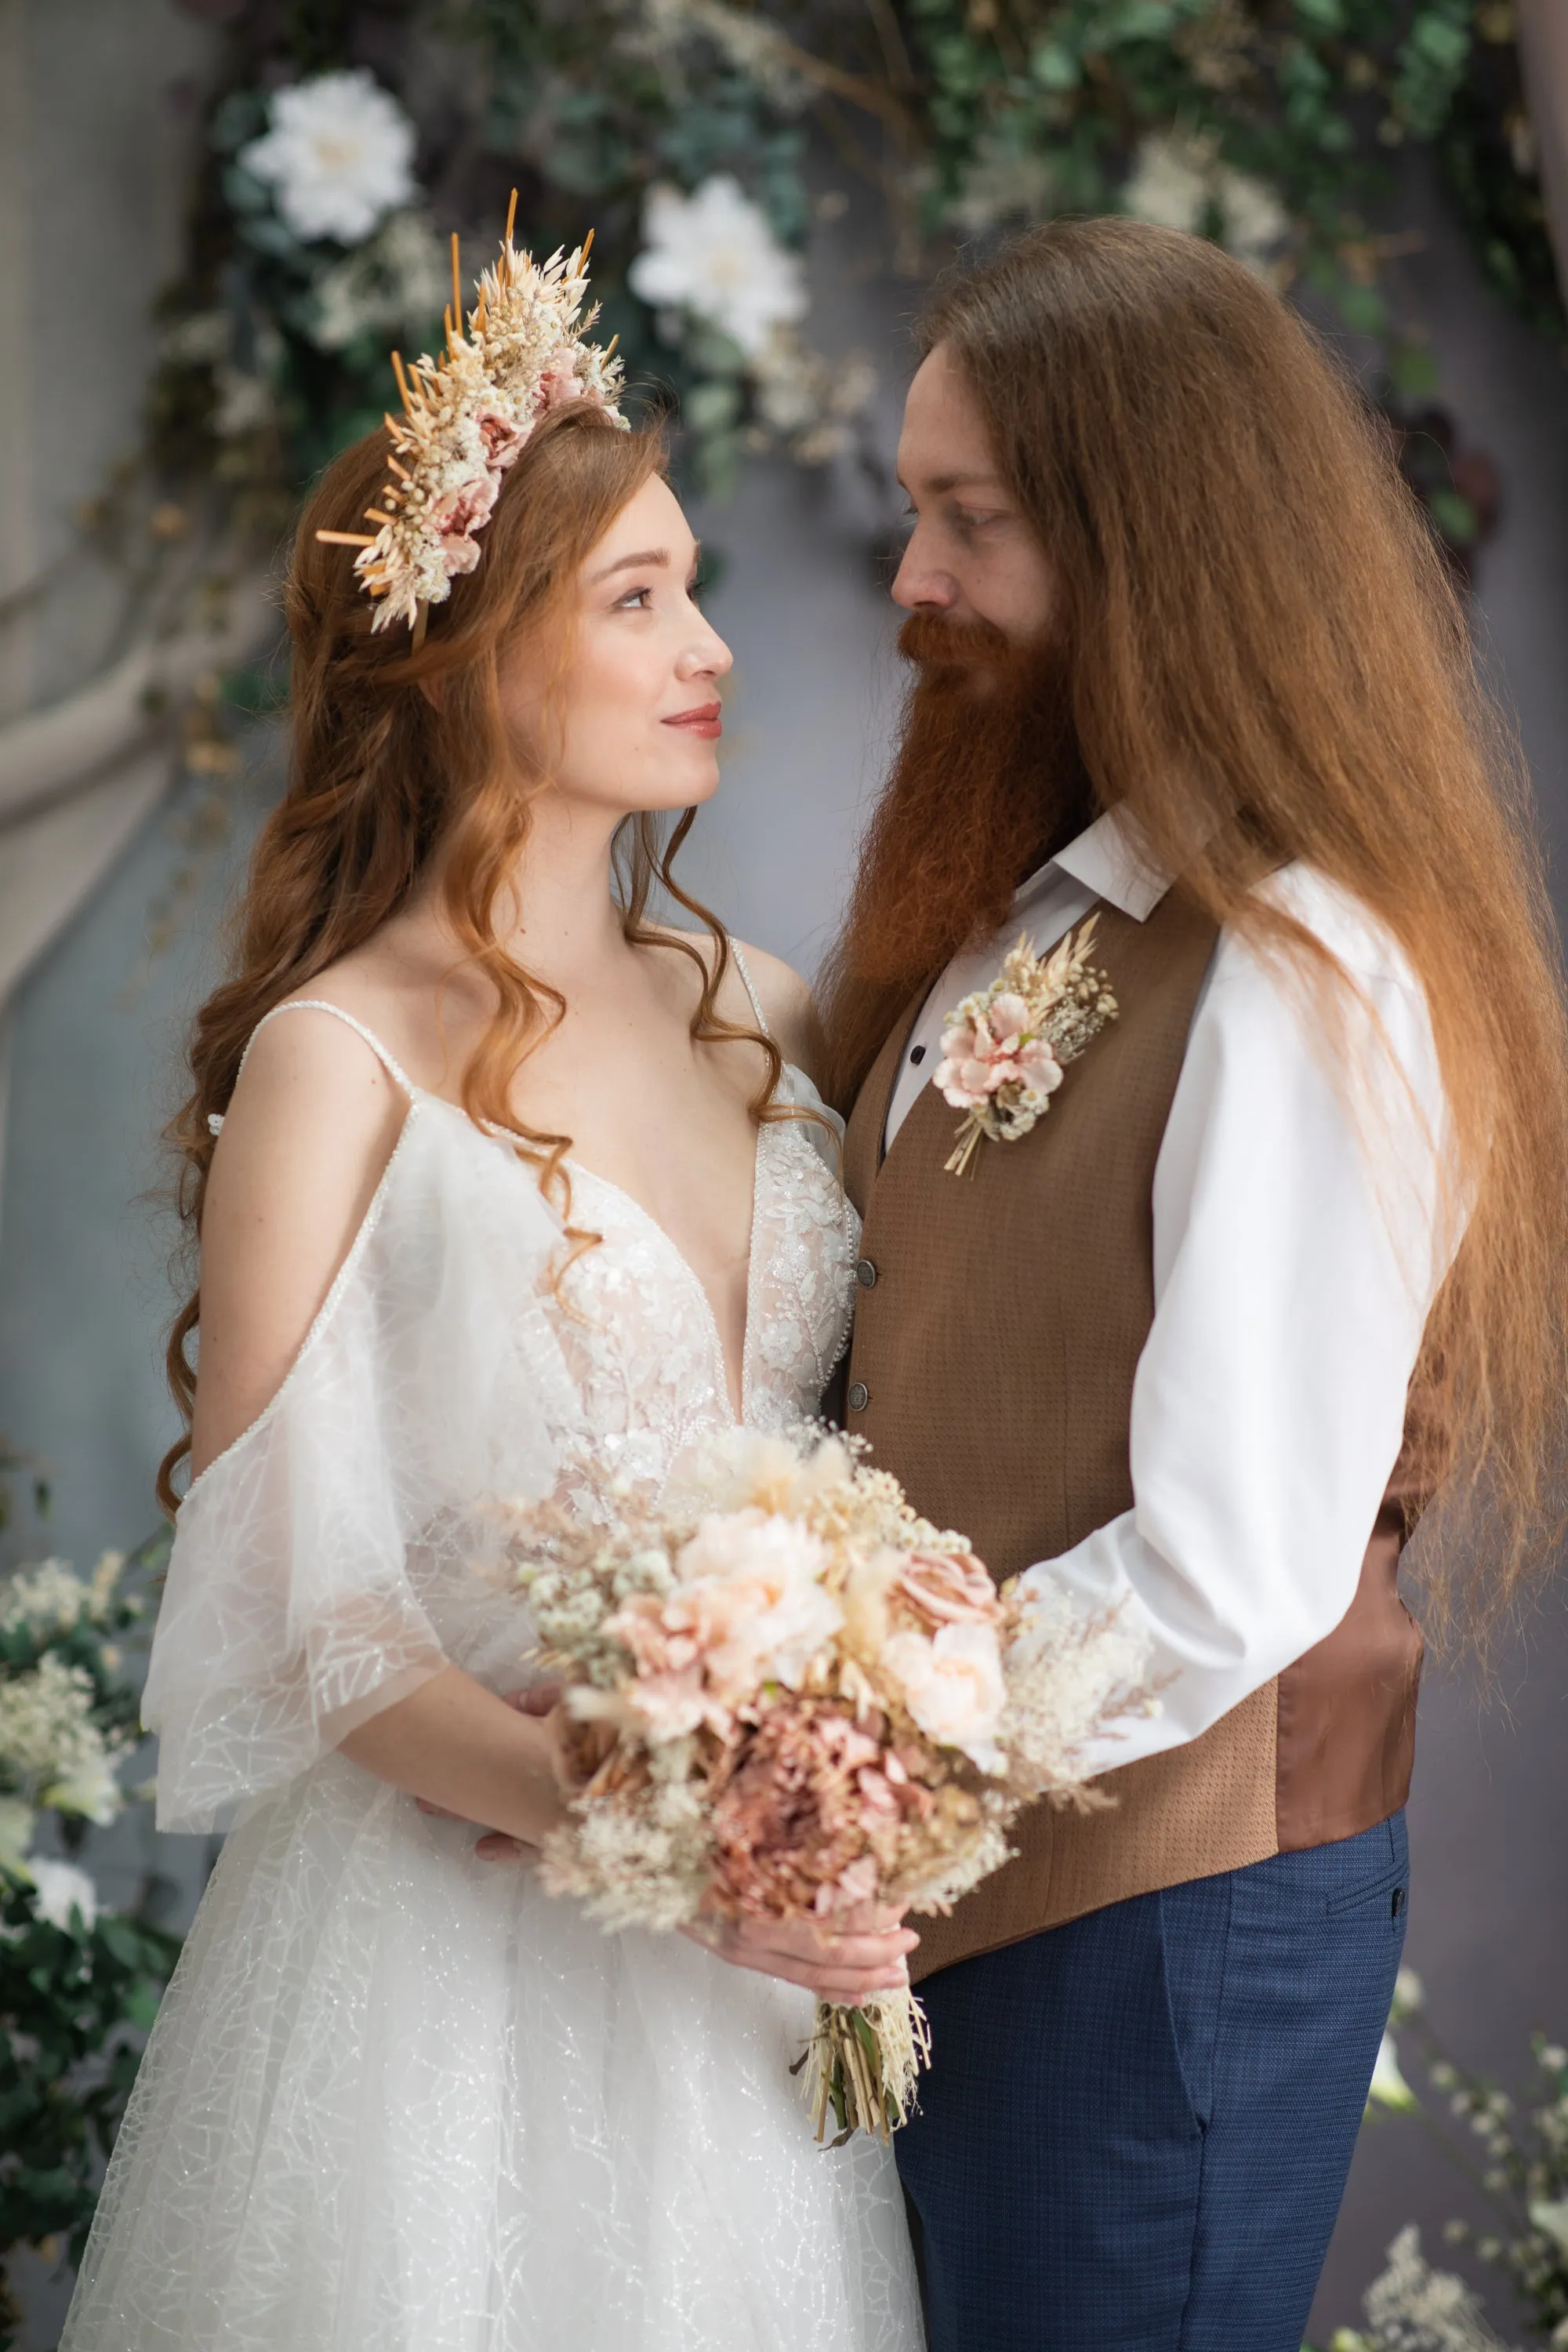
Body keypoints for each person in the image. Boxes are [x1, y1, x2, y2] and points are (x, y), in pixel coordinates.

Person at [62, 239, 922, 2352]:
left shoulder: (764, 1020)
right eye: (637, 599)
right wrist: (641, 1816)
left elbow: (860, 1463)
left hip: (753, 1997)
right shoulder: (332, 1060)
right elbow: (292, 1595)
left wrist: (835, 1779)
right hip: (444, 1968)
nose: (712, 645)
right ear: (458, 656)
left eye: (694, 584)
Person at [818, 217, 1568, 2352]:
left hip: (1164, 1925)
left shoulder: (1300, 956)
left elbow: (1235, 1561)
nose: (912, 583)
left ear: (1147, 541)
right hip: (992, 1891)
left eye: (968, 520)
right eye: (909, 513)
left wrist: (857, 1743)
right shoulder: (1035, 924)